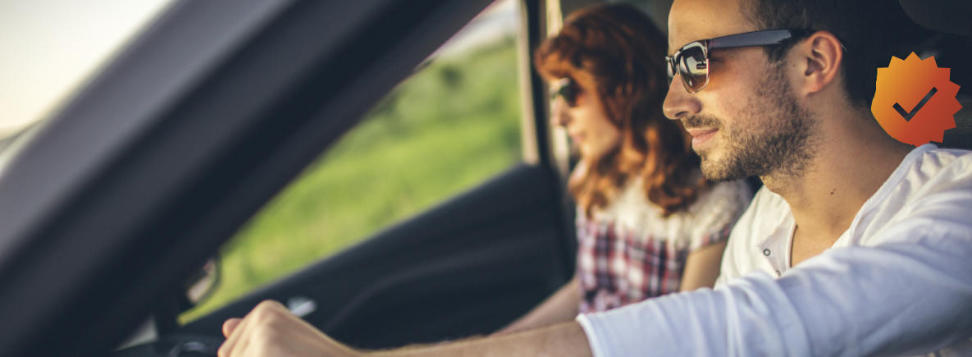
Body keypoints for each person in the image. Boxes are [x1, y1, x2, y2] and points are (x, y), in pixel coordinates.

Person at [216, 0, 972, 356]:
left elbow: (744, 330)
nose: (674, 100)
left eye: (698, 65)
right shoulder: (761, 228)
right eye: (674, 70)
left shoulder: (957, 211)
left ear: (813, 62)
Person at [496, 3, 751, 335]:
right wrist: (503, 341)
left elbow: (685, 333)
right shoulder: (593, 176)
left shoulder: (713, 200)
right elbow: (586, 287)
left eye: (570, 93)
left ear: (626, 88)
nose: (558, 118)